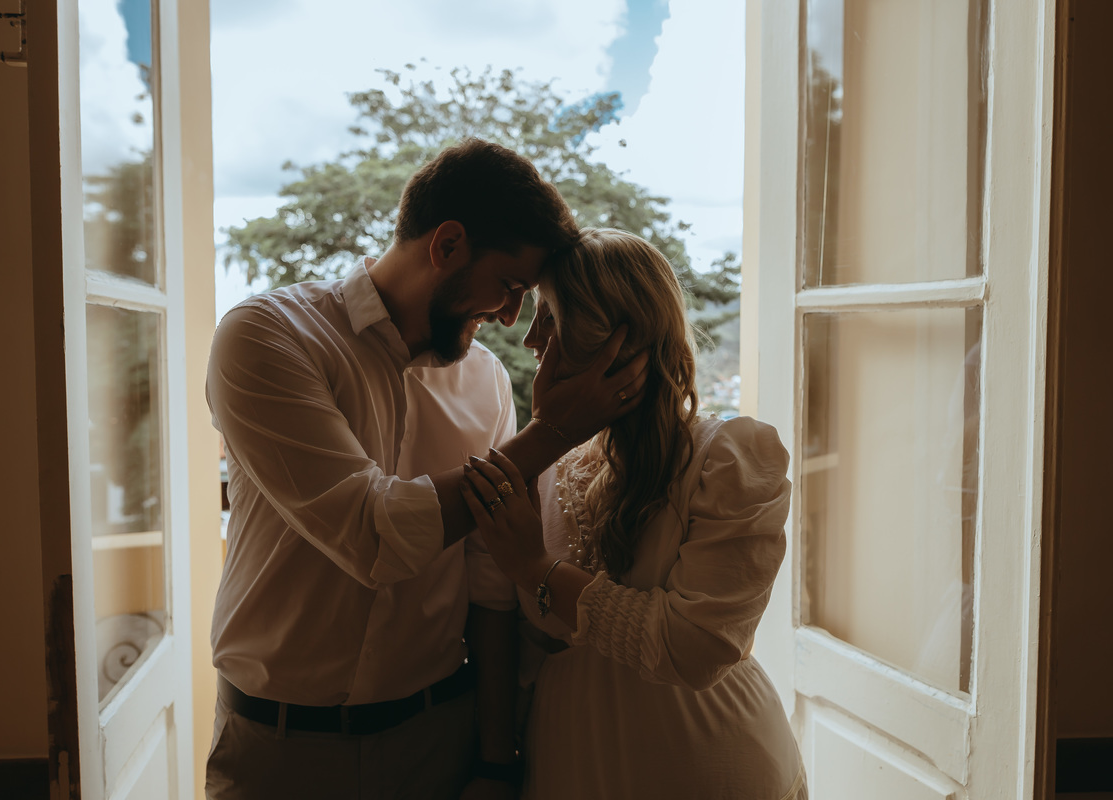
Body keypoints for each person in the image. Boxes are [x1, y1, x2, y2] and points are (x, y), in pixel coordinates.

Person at [204, 142, 648, 800]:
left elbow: (490, 581)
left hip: (439, 744)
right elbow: (372, 533)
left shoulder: (488, 383)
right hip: (278, 753)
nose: (507, 316)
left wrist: (497, 762)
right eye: (509, 286)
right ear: (447, 245)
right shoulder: (269, 336)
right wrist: (551, 433)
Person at [461, 228, 808, 800]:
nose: (528, 342)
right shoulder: (545, 464)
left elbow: (695, 649)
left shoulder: (728, 457)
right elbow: (529, 641)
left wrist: (536, 569)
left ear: (611, 341)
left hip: (702, 757)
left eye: (548, 319)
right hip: (571, 758)